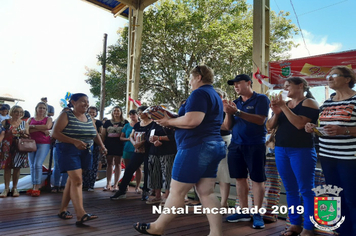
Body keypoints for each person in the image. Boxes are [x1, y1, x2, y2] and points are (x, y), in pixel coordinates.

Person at [133, 65, 226, 236]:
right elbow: (198, 120)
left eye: (191, 78)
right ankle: (216, 233)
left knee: (176, 191)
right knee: (207, 192)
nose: (189, 82)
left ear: (198, 77)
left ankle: (158, 227)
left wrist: (168, 122)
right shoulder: (214, 95)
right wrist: (172, 118)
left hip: (196, 147)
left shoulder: (199, 93)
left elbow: (192, 121)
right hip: (213, 145)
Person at [305, 66, 356, 235]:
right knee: (336, 196)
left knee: (352, 198)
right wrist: (313, 127)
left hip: (349, 157)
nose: (329, 78)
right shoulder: (327, 102)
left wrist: (345, 131)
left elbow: (344, 128)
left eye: (333, 75)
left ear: (348, 79)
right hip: (327, 156)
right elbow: (324, 126)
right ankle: (342, 231)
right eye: (328, 75)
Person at [267, 77, 319, 236]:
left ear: (300, 86)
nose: (285, 89)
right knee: (290, 189)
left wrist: (283, 107)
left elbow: (299, 124)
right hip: (281, 150)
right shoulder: (285, 105)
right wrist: (277, 113)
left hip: (301, 150)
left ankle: (309, 227)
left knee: (306, 189)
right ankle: (295, 224)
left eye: (288, 86)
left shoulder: (309, 103)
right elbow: (269, 127)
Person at [52, 93, 107, 225]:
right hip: (68, 150)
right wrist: (74, 141)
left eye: (87, 102)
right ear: (73, 102)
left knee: (72, 180)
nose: (86, 104)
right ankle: (81, 214)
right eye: (82, 101)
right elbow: (55, 133)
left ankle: (62, 210)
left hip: (86, 150)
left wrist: (102, 146)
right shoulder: (66, 115)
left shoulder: (88, 116)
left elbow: (95, 133)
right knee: (77, 180)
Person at [223, 74, 270, 229]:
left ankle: (257, 213)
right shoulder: (234, 103)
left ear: (249, 83)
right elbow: (227, 127)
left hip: (255, 144)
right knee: (239, 178)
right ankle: (243, 211)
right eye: (234, 84)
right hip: (236, 145)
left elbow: (260, 120)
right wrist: (229, 112)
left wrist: (236, 112)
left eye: (238, 83)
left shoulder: (261, 99)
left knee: (257, 179)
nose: (236, 86)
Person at [110, 106, 153, 201]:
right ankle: (122, 191)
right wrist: (135, 144)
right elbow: (131, 136)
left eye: (141, 112)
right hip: (137, 151)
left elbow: (152, 137)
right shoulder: (137, 125)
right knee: (129, 169)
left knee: (147, 170)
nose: (140, 114)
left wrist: (141, 143)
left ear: (147, 113)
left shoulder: (153, 124)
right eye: (139, 112)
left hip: (149, 151)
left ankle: (146, 191)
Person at [0, 105, 29, 198]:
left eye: (21, 112)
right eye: (16, 111)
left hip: (19, 146)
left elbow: (27, 136)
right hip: (7, 145)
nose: (18, 113)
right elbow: (2, 134)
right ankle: (6, 188)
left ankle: (15, 188)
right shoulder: (5, 122)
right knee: (7, 167)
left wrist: (22, 134)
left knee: (17, 167)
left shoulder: (25, 123)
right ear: (12, 112)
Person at [146, 123, 176, 205]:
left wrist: (159, 138)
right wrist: (153, 140)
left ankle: (167, 196)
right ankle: (157, 196)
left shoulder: (170, 122)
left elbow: (174, 136)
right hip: (154, 152)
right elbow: (148, 136)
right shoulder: (154, 124)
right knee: (154, 174)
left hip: (168, 152)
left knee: (167, 174)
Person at [27, 102, 53, 197]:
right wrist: (41, 129)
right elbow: (26, 129)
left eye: (44, 108)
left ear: (46, 110)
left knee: (38, 164)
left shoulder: (48, 119)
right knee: (32, 165)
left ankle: (36, 187)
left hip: (44, 143)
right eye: (40, 108)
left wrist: (33, 127)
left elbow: (47, 127)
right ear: (36, 108)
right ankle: (33, 185)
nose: (42, 110)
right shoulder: (31, 119)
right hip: (30, 143)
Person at [101, 106, 128, 191]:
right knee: (109, 163)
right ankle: (108, 183)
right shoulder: (108, 122)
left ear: (121, 112)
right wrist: (102, 145)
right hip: (109, 144)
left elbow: (127, 133)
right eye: (114, 111)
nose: (116, 112)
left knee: (118, 164)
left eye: (118, 111)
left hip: (120, 145)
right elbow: (103, 134)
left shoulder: (125, 122)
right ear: (112, 112)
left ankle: (116, 184)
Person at [214, 88, 233, 211]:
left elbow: (227, 125)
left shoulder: (226, 108)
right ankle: (210, 202)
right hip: (209, 140)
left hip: (224, 138)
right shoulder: (208, 108)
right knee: (208, 173)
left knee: (224, 171)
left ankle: (224, 202)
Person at [120, 109, 142, 193]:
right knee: (127, 167)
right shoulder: (126, 126)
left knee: (138, 168)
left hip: (137, 149)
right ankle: (126, 185)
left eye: (134, 114)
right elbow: (121, 137)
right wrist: (129, 139)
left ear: (138, 115)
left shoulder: (141, 124)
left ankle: (138, 186)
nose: (132, 116)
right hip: (127, 148)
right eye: (130, 115)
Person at [82, 106, 103, 191]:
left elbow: (100, 134)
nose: (92, 113)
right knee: (85, 165)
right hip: (84, 145)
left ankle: (91, 184)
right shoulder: (83, 120)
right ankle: (84, 184)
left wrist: (102, 146)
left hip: (95, 145)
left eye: (93, 112)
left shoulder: (98, 122)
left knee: (94, 165)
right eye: (90, 112)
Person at [51, 107, 71, 193]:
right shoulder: (56, 121)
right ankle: (55, 184)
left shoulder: (73, 122)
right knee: (57, 166)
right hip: (58, 144)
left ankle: (63, 184)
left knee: (67, 166)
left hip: (70, 145)